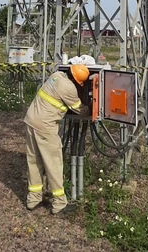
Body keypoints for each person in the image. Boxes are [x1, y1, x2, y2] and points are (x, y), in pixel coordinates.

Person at [24, 64, 91, 215]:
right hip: (45, 126)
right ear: (76, 80)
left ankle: (33, 198)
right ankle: (59, 203)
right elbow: (79, 109)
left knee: (34, 161)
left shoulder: (56, 76)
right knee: (53, 162)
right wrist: (91, 108)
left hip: (30, 120)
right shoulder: (69, 87)